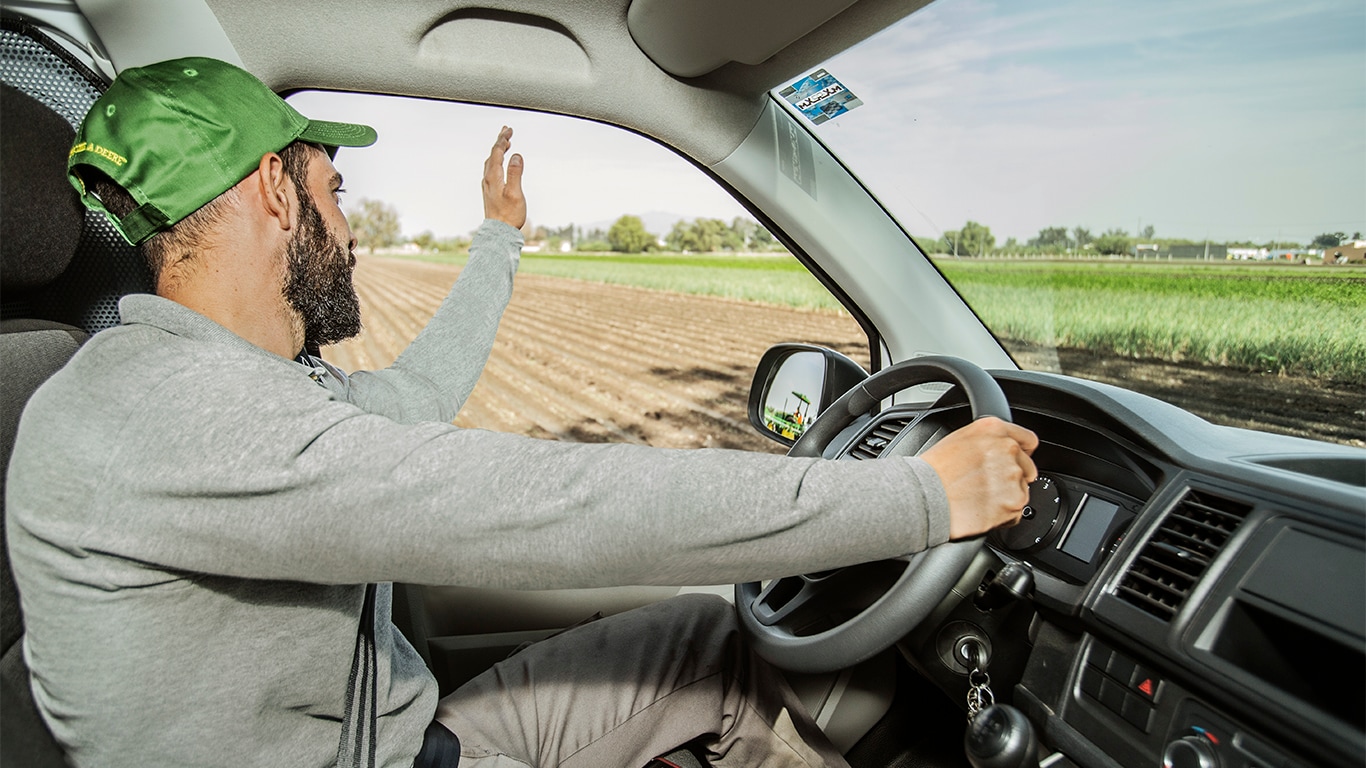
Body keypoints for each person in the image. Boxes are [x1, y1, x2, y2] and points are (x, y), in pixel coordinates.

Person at [7, 57, 1038, 768]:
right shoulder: (171, 419)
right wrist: (913, 499)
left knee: (703, 637)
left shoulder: (227, 388)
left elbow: (404, 406)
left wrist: (496, 242)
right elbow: (552, 503)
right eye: (333, 187)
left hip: (398, 740)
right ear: (275, 193)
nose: (350, 224)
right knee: (729, 659)